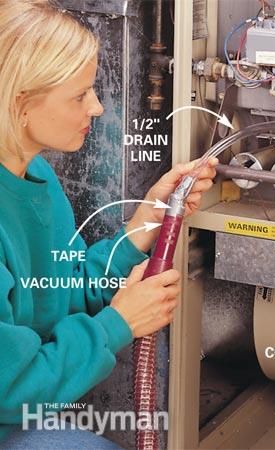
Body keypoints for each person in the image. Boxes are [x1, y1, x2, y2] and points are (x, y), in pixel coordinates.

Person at [0, 0, 217, 448]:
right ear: (21, 104)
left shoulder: (36, 178)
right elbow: (8, 392)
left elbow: (56, 292)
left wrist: (144, 223)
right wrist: (119, 323)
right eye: (80, 95)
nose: (96, 108)